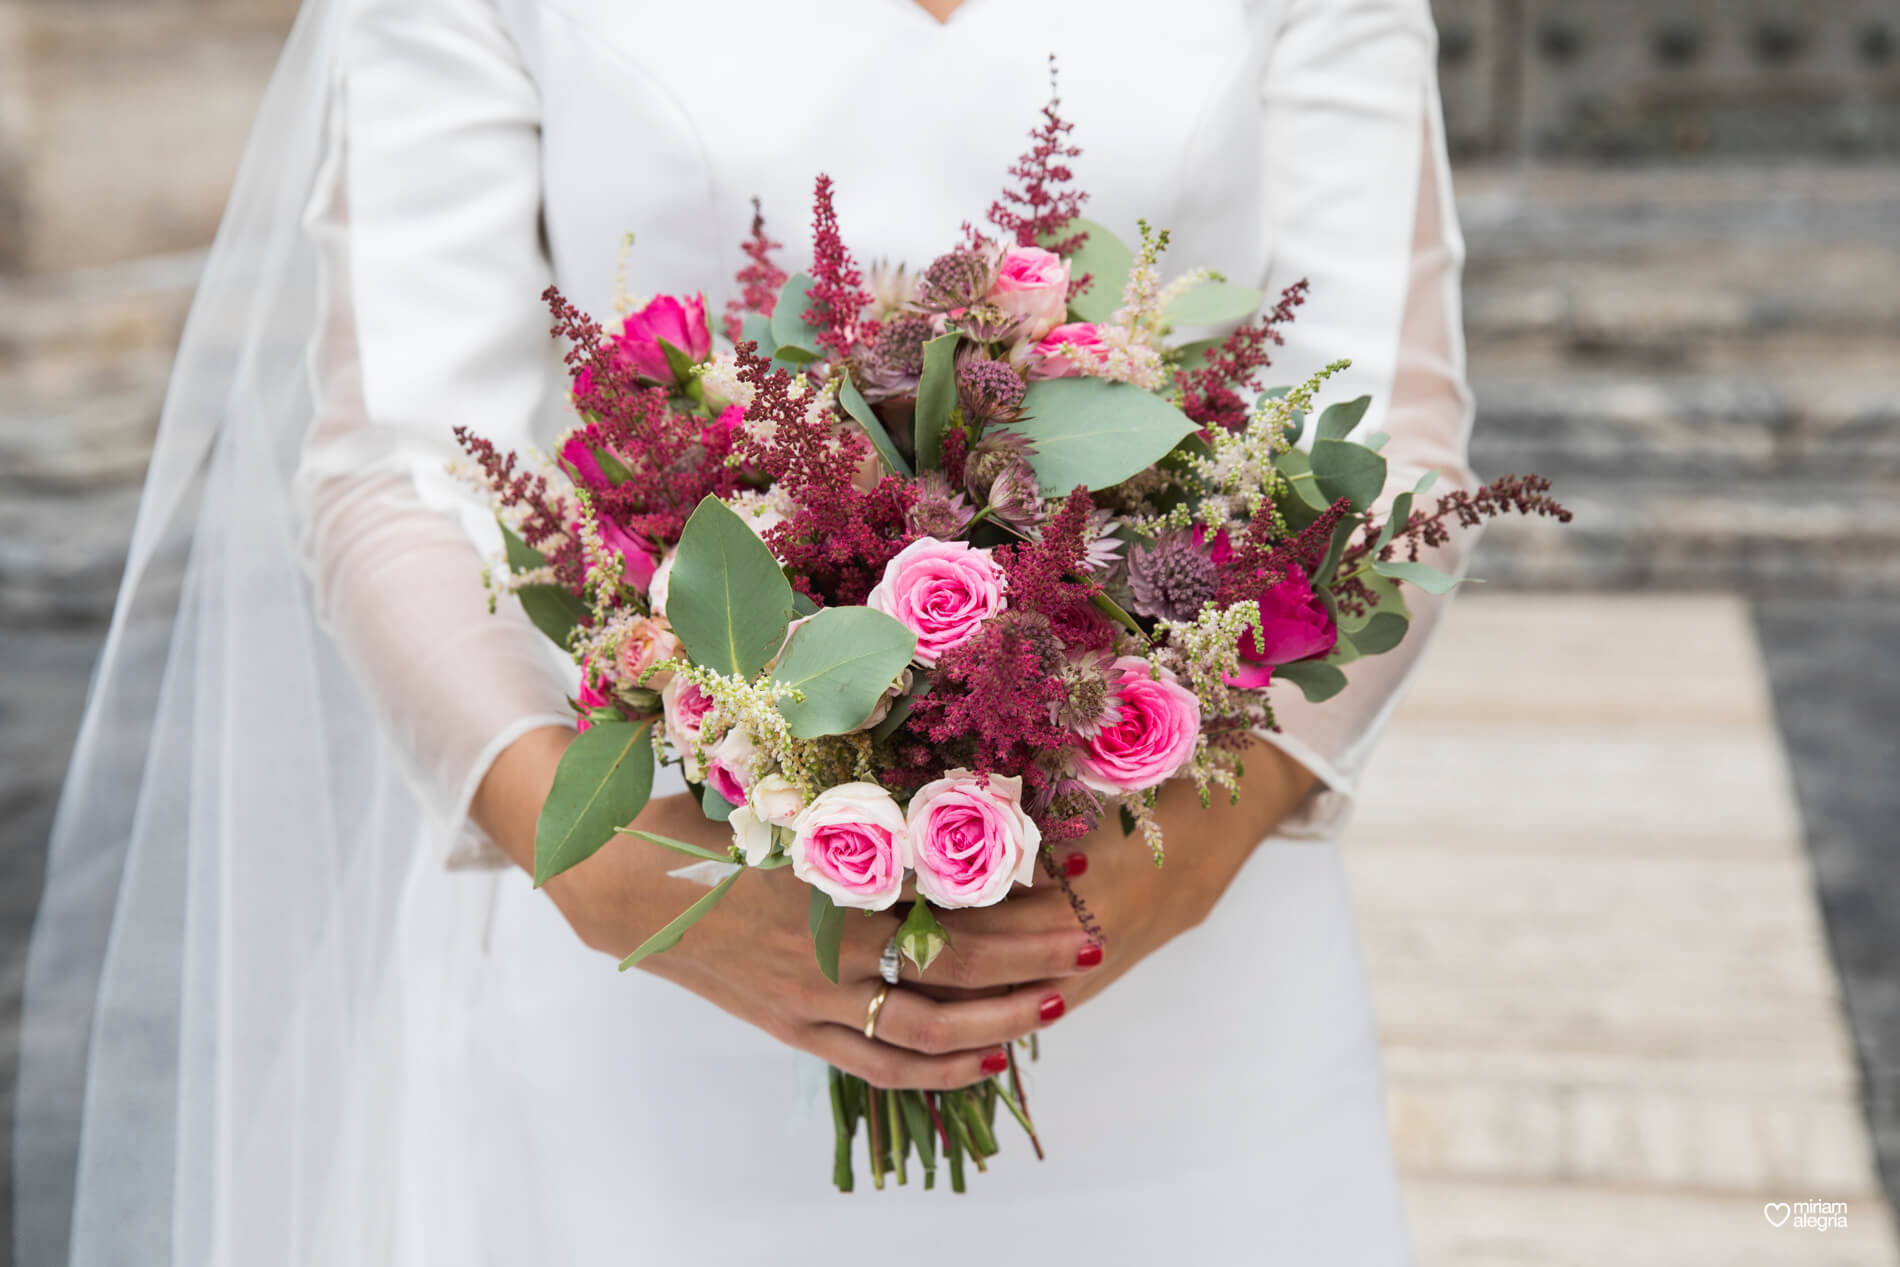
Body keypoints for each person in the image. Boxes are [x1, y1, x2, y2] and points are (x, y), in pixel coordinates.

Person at [18, 0, 1479, 1262]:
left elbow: (1396, 439)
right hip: (677, 960)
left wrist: (1202, 855)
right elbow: (398, 467)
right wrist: (629, 879)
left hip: (1169, 956)